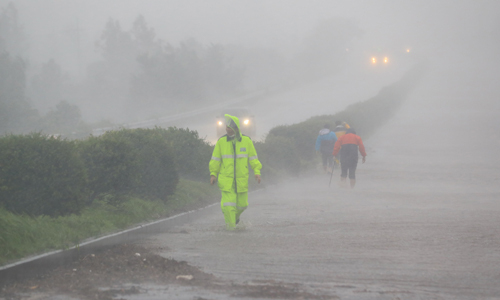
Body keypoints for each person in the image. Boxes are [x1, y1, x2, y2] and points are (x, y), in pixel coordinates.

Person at [209, 114, 262, 230]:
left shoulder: (246, 141)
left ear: (236, 128)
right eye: (226, 127)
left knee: (243, 205)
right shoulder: (221, 142)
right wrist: (213, 174)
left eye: (229, 127)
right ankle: (231, 229)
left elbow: (253, 159)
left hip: (241, 180)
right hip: (226, 180)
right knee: (228, 206)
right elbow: (215, 160)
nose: (227, 129)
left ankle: (234, 219)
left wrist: (257, 172)